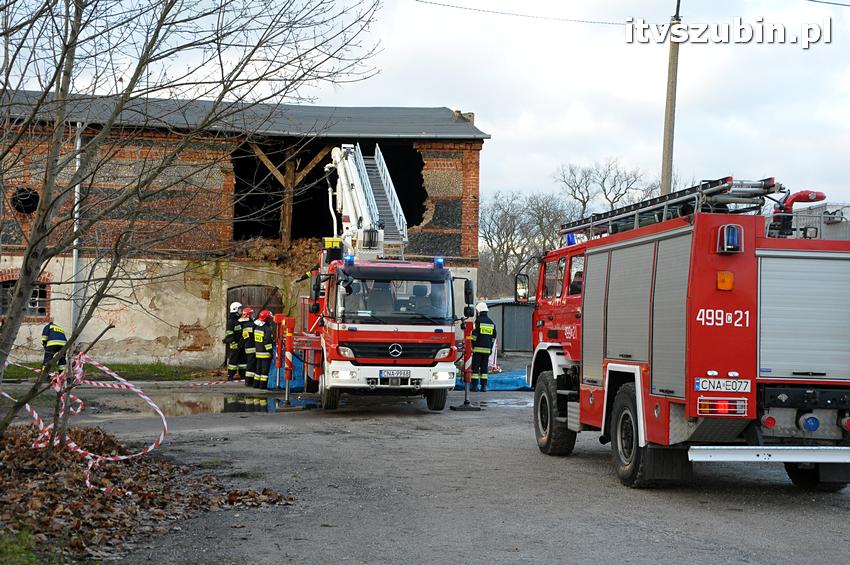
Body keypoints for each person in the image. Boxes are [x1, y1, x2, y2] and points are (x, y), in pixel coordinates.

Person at [470, 302, 496, 392]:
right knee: (484, 368)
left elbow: (474, 336)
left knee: (476, 367)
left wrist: (470, 341)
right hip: (487, 349)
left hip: (477, 349)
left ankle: (474, 386)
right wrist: (490, 347)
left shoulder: (477, 321)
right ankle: (484, 386)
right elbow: (493, 337)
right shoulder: (491, 322)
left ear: (479, 311)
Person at [253, 310, 275, 389]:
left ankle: (255, 384)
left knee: (258, 369)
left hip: (258, 352)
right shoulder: (267, 329)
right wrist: (271, 352)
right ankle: (262, 386)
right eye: (269, 318)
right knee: (264, 371)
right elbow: (267, 342)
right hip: (265, 353)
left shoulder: (257, 327)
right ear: (266, 319)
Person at [224, 301, 242, 381]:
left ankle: (243, 374)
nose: (241, 311)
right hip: (234, 345)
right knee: (233, 361)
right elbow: (229, 333)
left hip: (241, 344)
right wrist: (233, 342)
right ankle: (230, 375)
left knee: (242, 361)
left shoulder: (240, 320)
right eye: (239, 309)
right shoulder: (231, 321)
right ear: (235, 310)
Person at [241, 307, 256, 387]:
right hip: (252, 347)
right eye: (251, 314)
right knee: (251, 364)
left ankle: (248, 380)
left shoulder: (244, 324)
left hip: (247, 346)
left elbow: (245, 337)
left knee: (250, 363)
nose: (252, 315)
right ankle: (249, 381)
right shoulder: (251, 324)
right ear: (249, 315)